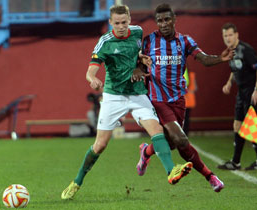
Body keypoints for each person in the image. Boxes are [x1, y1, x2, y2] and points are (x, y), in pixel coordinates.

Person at [61, 4, 193, 200]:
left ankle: (171, 170)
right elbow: (91, 70)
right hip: (114, 96)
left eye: (124, 22)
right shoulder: (105, 42)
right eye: (117, 23)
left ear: (130, 20)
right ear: (110, 22)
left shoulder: (137, 33)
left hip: (138, 93)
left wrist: (142, 59)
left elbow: (136, 54)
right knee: (100, 145)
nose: (121, 26)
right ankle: (77, 182)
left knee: (156, 130)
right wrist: (93, 79)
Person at [133, 3, 234, 192]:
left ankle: (146, 152)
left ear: (174, 20)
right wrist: (138, 69)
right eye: (159, 21)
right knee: (181, 140)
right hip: (157, 100)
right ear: (156, 22)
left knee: (171, 143)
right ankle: (210, 176)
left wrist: (220, 59)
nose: (163, 24)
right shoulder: (148, 41)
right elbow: (138, 63)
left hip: (178, 100)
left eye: (167, 19)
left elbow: (202, 58)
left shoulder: (185, 41)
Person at [217, 23, 257, 170]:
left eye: (230, 35)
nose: (228, 38)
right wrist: (228, 83)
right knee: (237, 125)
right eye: (225, 35)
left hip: (251, 92)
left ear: (236, 35)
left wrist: (256, 90)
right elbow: (235, 69)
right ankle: (236, 162)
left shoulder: (246, 50)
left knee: (252, 127)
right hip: (241, 93)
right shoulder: (231, 52)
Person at [183, 67, 197, 136]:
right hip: (190, 100)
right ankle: (185, 133)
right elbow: (195, 88)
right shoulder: (192, 75)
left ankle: (181, 133)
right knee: (186, 119)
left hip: (183, 100)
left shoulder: (180, 75)